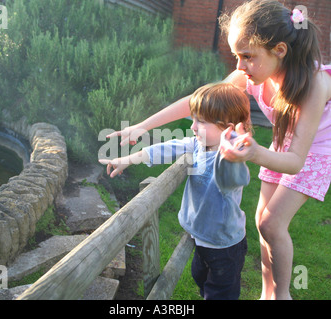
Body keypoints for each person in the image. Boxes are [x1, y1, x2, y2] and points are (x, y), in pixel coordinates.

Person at [106, 0, 331, 300]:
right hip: (281, 142)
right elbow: (200, 101)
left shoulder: (315, 84)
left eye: (247, 56)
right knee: (261, 222)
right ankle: (267, 292)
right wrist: (143, 127)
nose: (239, 66)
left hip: (312, 153)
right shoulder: (251, 74)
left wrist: (253, 153)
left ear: (279, 50)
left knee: (272, 224)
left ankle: (283, 295)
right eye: (237, 56)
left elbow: (294, 161)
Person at [100, 83, 251, 299]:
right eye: (193, 119)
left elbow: (239, 178)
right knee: (199, 277)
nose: (193, 127)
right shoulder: (199, 145)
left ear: (227, 128)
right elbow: (167, 148)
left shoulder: (231, 158)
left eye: (201, 121)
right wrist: (128, 159)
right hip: (200, 238)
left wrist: (233, 154)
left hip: (224, 246)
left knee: (220, 293)